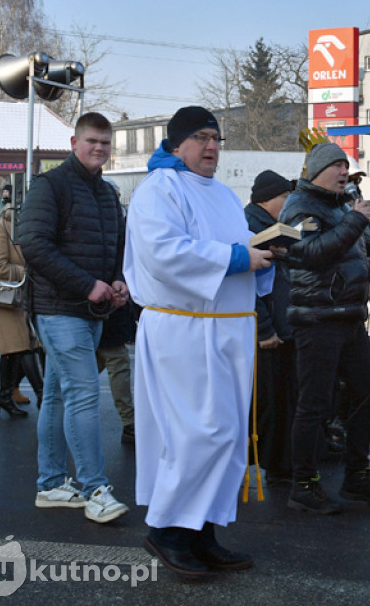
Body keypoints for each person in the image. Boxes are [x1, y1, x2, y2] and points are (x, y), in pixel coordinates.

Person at [124, 106, 274, 580]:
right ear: (176, 144)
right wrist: (235, 258)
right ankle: (168, 531)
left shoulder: (224, 195)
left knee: (226, 434)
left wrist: (265, 254)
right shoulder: (158, 191)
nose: (211, 146)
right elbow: (165, 254)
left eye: (216, 138)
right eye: (202, 137)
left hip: (227, 327)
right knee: (194, 432)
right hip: (184, 329)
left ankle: (204, 531)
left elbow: (238, 248)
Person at [18, 112, 129, 525]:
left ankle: (50, 485)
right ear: (73, 142)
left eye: (105, 142)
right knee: (83, 395)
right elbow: (31, 243)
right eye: (91, 141)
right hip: (57, 309)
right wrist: (87, 285)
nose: (99, 148)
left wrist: (117, 280)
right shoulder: (50, 186)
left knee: (58, 395)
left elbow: (117, 243)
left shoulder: (105, 193)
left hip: (90, 310)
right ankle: (93, 488)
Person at [279, 142, 370, 515]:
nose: (344, 172)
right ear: (315, 170)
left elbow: (358, 254)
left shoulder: (344, 207)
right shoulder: (298, 207)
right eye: (336, 166)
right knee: (313, 403)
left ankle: (357, 476)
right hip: (316, 318)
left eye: (345, 166)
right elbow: (308, 253)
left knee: (368, 392)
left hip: (349, 315)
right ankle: (304, 484)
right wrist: (355, 221)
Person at [244, 169, 297, 487]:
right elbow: (249, 287)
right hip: (267, 330)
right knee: (267, 401)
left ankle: (281, 461)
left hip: (281, 324)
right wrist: (263, 330)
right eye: (284, 198)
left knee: (282, 398)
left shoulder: (274, 228)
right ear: (267, 200)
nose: (288, 203)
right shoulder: (251, 228)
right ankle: (272, 463)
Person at [0, 203, 43, 417]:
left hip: (26, 297)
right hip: (8, 298)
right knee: (24, 346)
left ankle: (4, 396)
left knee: (14, 351)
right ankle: (42, 394)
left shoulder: (30, 228)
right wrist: (30, 273)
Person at [96, 178, 136, 445]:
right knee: (116, 364)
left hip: (111, 307)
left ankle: (58, 411)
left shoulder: (119, 222)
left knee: (102, 364)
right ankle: (130, 423)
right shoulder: (111, 224)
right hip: (100, 305)